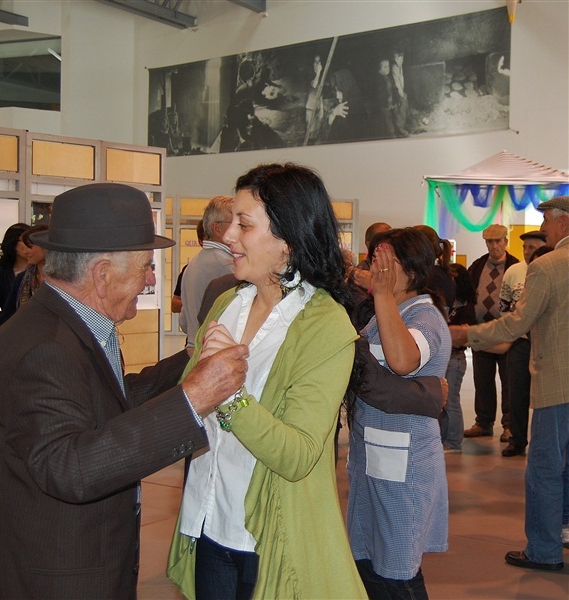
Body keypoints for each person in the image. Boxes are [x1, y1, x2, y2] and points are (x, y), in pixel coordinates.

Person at [167, 164, 443, 599]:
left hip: (265, 537)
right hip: (207, 520)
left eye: (244, 224)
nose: (229, 237)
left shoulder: (323, 323)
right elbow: (187, 405)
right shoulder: (226, 304)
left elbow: (297, 455)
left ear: (288, 241)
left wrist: (229, 393)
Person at [0, 183, 249, 599]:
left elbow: (106, 403)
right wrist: (192, 400)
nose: (151, 279)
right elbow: (71, 467)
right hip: (50, 578)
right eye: (146, 268)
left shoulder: (59, 327)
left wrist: (190, 363)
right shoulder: (45, 349)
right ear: (101, 274)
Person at [451, 196, 569, 572]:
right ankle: (563, 532)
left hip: (558, 384)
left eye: (547, 221)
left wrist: (466, 334)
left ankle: (545, 551)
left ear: (563, 223)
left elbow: (516, 323)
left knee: (546, 469)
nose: (543, 229)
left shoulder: (548, 266)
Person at [346, 227, 452, 600]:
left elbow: (403, 360)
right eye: (374, 261)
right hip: (373, 461)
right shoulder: (386, 310)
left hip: (403, 469)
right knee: (371, 568)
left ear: (410, 268)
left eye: (384, 264)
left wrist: (384, 295)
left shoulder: (425, 316)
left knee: (397, 575)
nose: (375, 271)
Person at [464, 224, 519, 442]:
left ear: (506, 241)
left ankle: (509, 425)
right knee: (482, 379)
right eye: (490, 242)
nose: (494, 246)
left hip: (507, 331)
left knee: (510, 381)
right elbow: (468, 294)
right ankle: (483, 422)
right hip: (483, 332)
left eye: (498, 241)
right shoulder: (477, 266)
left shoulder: (516, 266)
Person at [498, 230, 547, 457]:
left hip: (545, 343)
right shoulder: (514, 272)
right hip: (519, 342)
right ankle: (517, 440)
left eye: (533, 247)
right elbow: (504, 306)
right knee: (516, 392)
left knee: (546, 396)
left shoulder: (551, 269)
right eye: (525, 247)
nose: (528, 252)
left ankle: (543, 442)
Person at [180, 196, 234, 352]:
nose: (239, 230)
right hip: (212, 354)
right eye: (236, 224)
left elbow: (184, 322)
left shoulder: (194, 263)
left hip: (196, 352)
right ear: (217, 229)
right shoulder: (226, 265)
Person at [440, 263, 477, 453]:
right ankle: (445, 438)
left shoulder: (466, 304)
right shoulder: (443, 300)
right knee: (442, 401)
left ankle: (454, 442)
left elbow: (464, 335)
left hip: (455, 358)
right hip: (443, 356)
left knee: (451, 400)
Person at [0, 222, 31, 323]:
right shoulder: (0, 273)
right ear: (12, 243)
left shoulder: (40, 270)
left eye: (31, 241)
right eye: (24, 241)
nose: (29, 245)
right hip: (12, 329)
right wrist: (5, 319)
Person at [0, 224, 49, 324]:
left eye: (30, 247)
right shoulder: (21, 278)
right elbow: (8, 315)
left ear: (45, 247)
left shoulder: (64, 279)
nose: (26, 252)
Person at [172, 221, 205, 314]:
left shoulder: (231, 266)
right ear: (201, 241)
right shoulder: (189, 269)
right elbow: (175, 304)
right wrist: (194, 305)